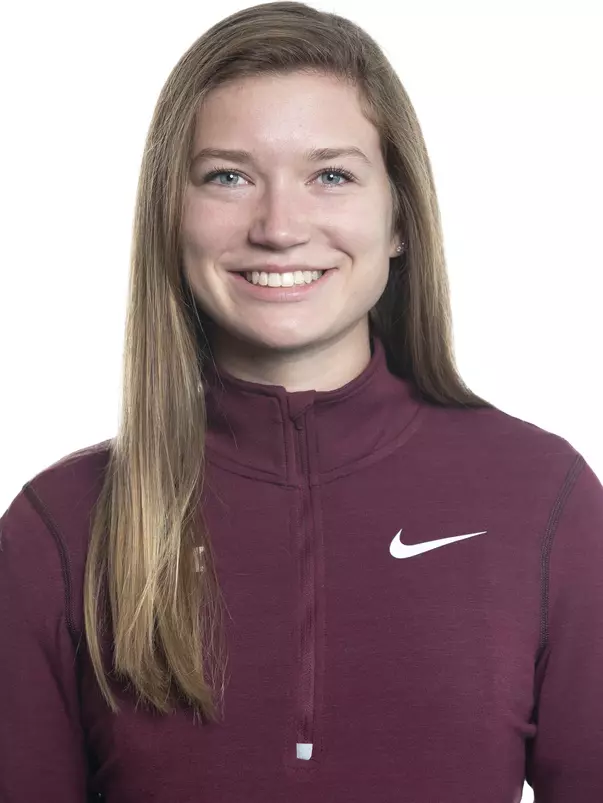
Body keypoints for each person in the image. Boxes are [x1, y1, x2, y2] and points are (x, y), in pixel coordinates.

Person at [1, 1, 602, 801]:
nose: (279, 227)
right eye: (228, 176)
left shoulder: (542, 497)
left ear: (398, 218)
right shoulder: (58, 528)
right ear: (169, 219)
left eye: (331, 174)